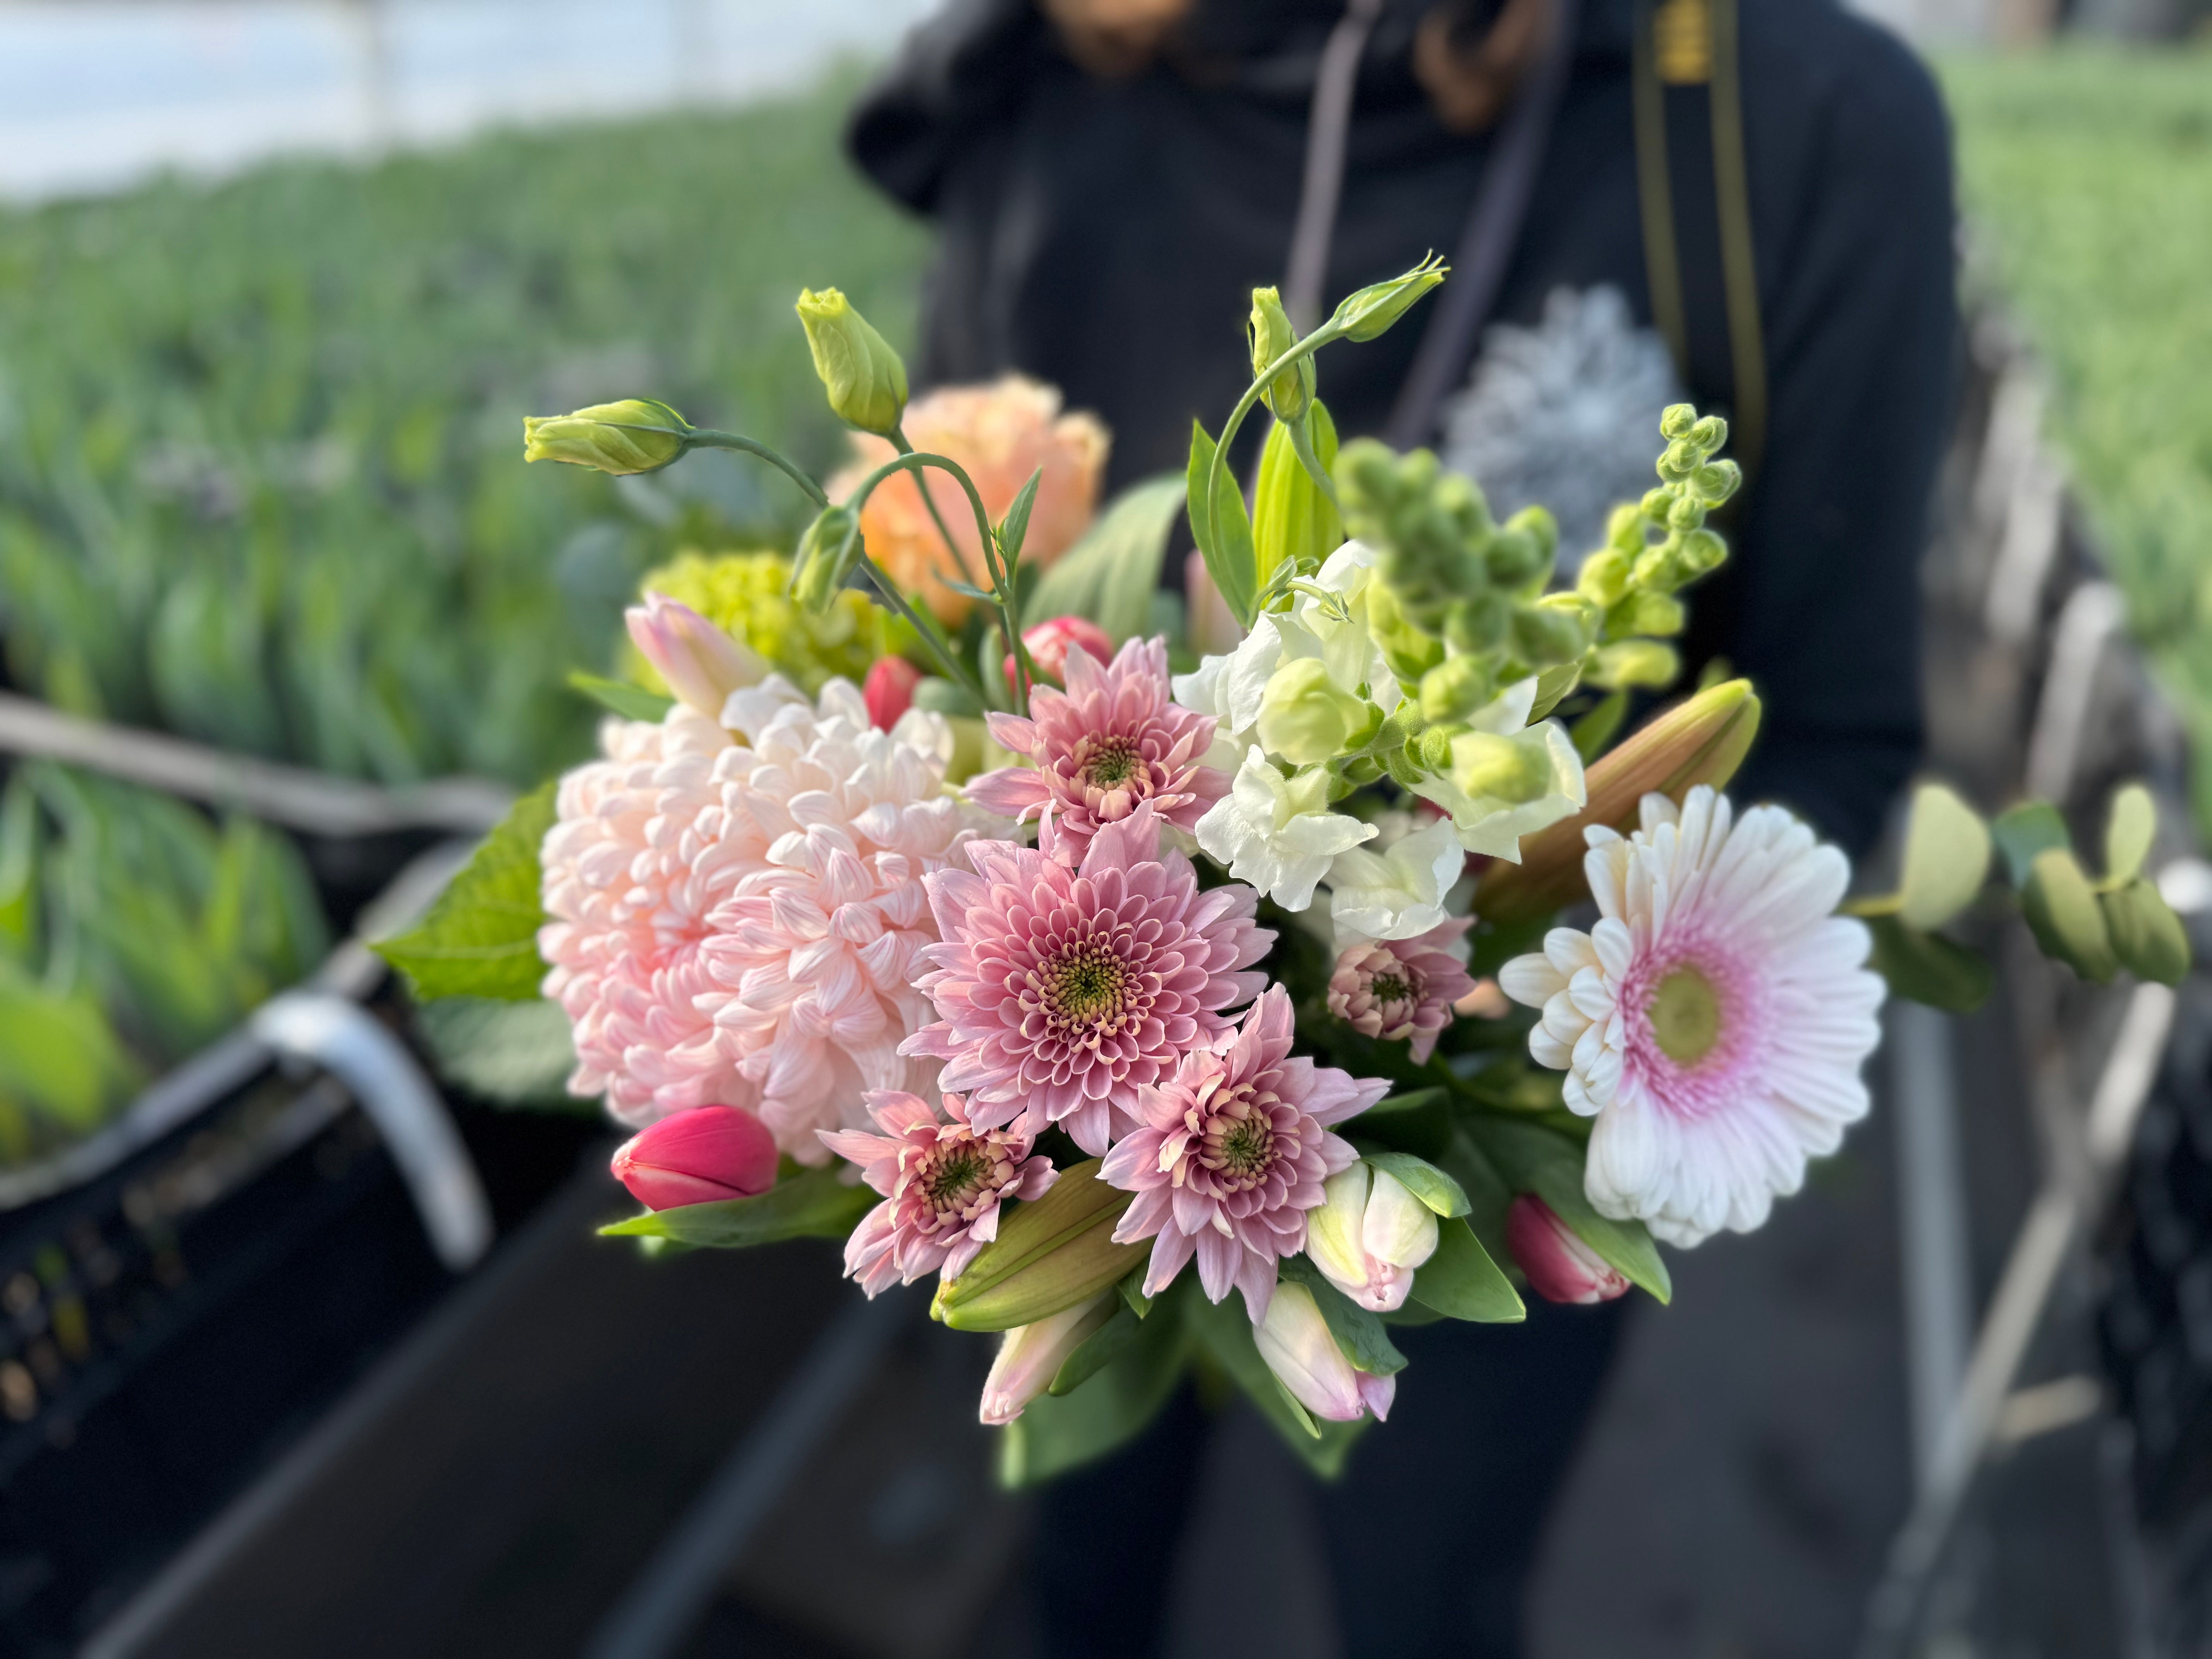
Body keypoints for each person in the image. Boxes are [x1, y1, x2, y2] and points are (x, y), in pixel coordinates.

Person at [848, 2, 1958, 1652]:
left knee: (1426, 1601)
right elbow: (924, 643)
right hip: (1040, 1117)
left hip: (1500, 1126)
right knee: (1083, 1568)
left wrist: (1521, 1002)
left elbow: (1835, 736)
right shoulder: (1040, 77)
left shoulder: (1779, 115)